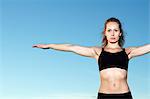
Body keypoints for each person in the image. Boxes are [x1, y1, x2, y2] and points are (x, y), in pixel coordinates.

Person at [32, 17, 150, 99]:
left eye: (116, 30)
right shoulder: (97, 52)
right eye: (109, 30)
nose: (112, 34)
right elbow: (71, 47)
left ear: (120, 33)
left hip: (125, 95)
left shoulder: (128, 52)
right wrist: (49, 46)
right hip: (104, 95)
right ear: (105, 33)